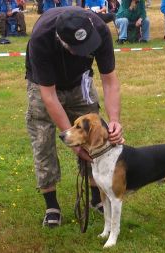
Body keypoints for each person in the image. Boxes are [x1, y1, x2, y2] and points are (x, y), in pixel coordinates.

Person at [25, 6, 123, 228]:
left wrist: (114, 119)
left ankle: (97, 198)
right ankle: (52, 205)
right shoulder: (41, 38)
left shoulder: (99, 28)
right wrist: (70, 138)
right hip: (44, 86)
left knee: (94, 137)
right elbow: (49, 96)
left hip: (80, 84)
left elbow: (109, 79)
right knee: (43, 141)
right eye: (77, 49)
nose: (83, 52)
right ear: (61, 40)